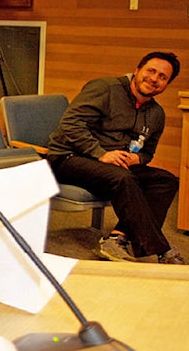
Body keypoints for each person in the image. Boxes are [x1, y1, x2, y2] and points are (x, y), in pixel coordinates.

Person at [47, 52, 184, 265]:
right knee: (124, 178)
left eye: (163, 77)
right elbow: (70, 125)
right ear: (138, 71)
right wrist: (100, 153)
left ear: (166, 84)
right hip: (69, 157)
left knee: (165, 180)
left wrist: (136, 160)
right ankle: (162, 250)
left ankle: (116, 238)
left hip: (115, 166)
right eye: (151, 71)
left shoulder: (157, 114)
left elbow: (148, 153)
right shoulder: (105, 89)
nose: (155, 79)